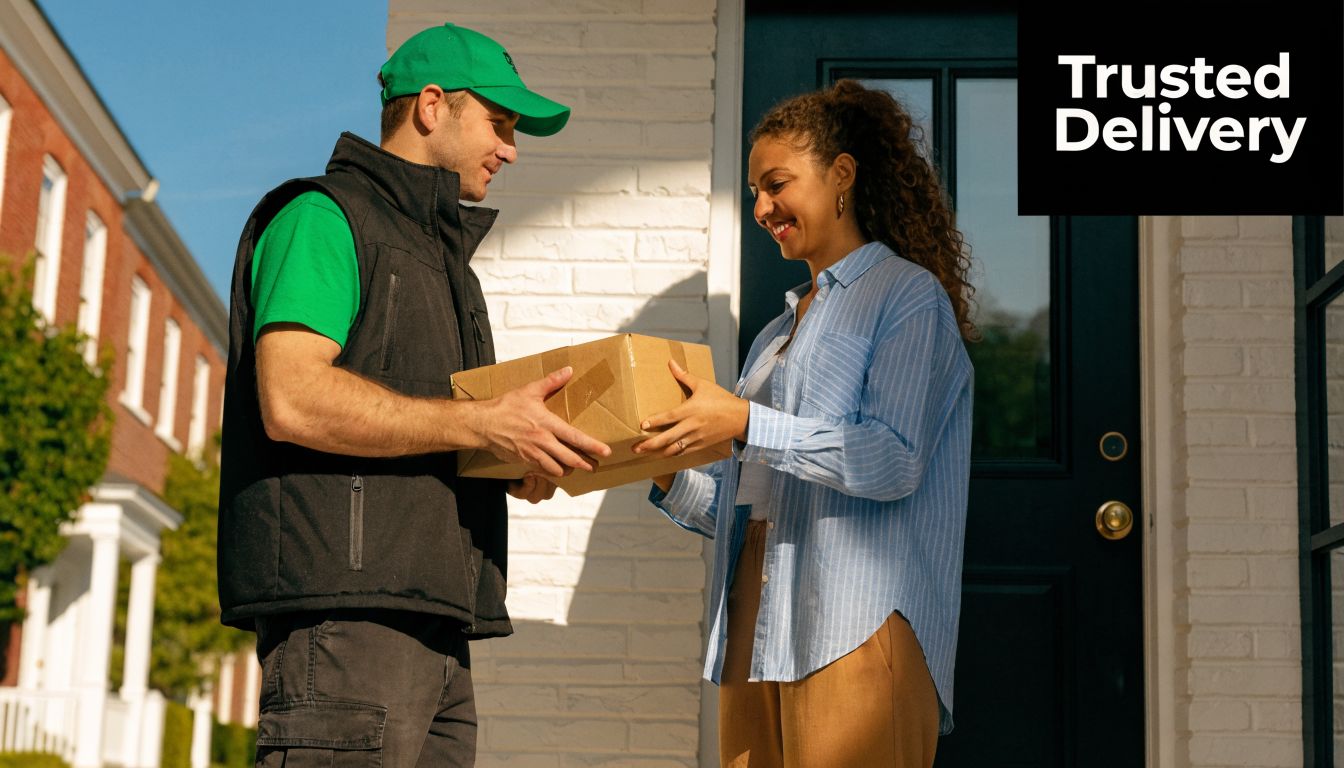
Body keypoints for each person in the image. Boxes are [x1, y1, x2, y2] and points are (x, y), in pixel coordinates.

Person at [217, 23, 611, 768]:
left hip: (436, 631)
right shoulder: (321, 218)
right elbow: (293, 396)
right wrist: (481, 425)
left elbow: (435, 433)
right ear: (432, 106)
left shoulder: (444, 265)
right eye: (499, 122)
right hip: (346, 631)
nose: (512, 148)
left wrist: (516, 455)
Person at [633, 79, 976, 768]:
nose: (761, 207)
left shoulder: (906, 299)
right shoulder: (773, 336)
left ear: (841, 175)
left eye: (776, 183)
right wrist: (663, 467)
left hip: (855, 621)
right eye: (755, 190)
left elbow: (894, 460)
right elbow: (746, 500)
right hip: (756, 623)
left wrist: (745, 422)